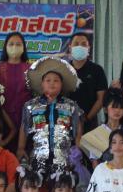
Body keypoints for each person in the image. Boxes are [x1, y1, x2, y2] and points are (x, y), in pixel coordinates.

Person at [17, 56, 84, 184]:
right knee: (37, 186)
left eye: (56, 80)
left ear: (62, 85)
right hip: (38, 156)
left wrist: (77, 150)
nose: (52, 83)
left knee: (61, 188)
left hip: (63, 157)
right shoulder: (30, 105)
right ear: (42, 84)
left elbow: (78, 130)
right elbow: (23, 128)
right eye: (48, 80)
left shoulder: (71, 106)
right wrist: (20, 148)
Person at [80, 88, 123, 167]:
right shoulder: (97, 133)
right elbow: (95, 162)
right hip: (104, 173)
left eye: (120, 107)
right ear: (105, 109)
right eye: (114, 107)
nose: (117, 110)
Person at [68, 33, 107, 131]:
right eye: (76, 44)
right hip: (66, 122)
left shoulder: (97, 70)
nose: (79, 47)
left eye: (83, 44)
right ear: (70, 47)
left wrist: (86, 118)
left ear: (89, 48)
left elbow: (101, 99)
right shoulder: (64, 69)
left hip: (90, 122)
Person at [0, 32, 32, 134]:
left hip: (26, 116)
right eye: (11, 44)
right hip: (2, 115)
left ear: (23, 48)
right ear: (5, 47)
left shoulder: (31, 69)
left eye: (18, 44)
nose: (14, 47)